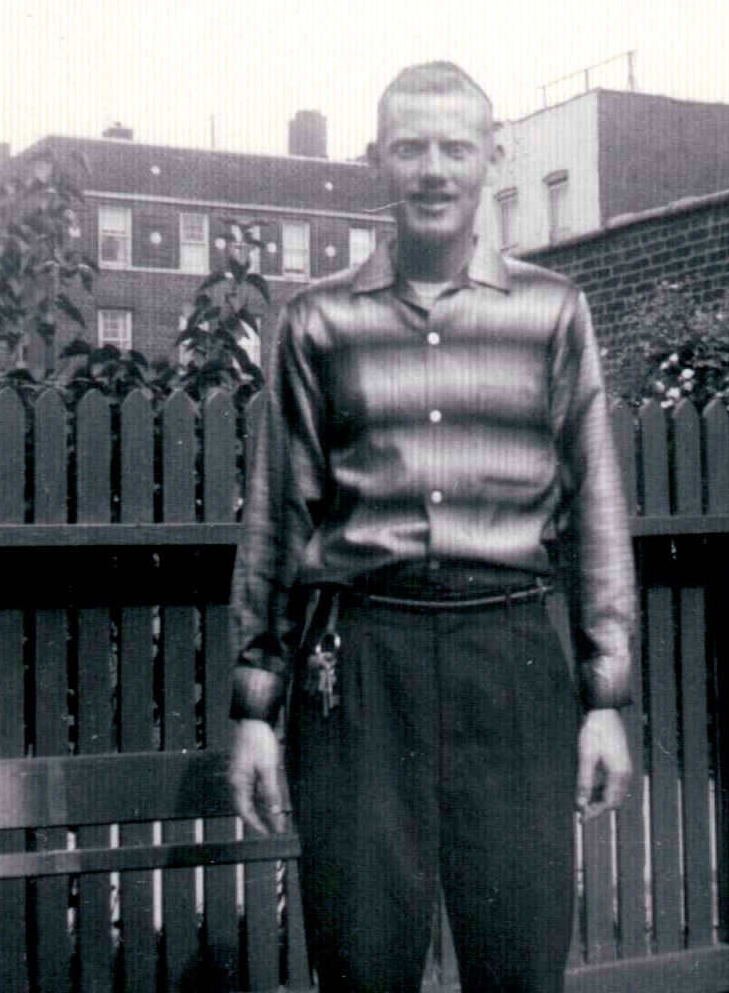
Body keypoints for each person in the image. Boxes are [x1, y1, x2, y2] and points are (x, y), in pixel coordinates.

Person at [227, 61, 634, 993]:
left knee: (521, 963)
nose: (434, 170)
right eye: (411, 148)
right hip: (365, 665)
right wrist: (255, 710)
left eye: (456, 147)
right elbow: (278, 519)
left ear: (494, 156)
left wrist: (605, 697)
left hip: (513, 658)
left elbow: (596, 509)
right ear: (377, 159)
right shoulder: (317, 321)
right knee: (362, 961)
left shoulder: (552, 311)